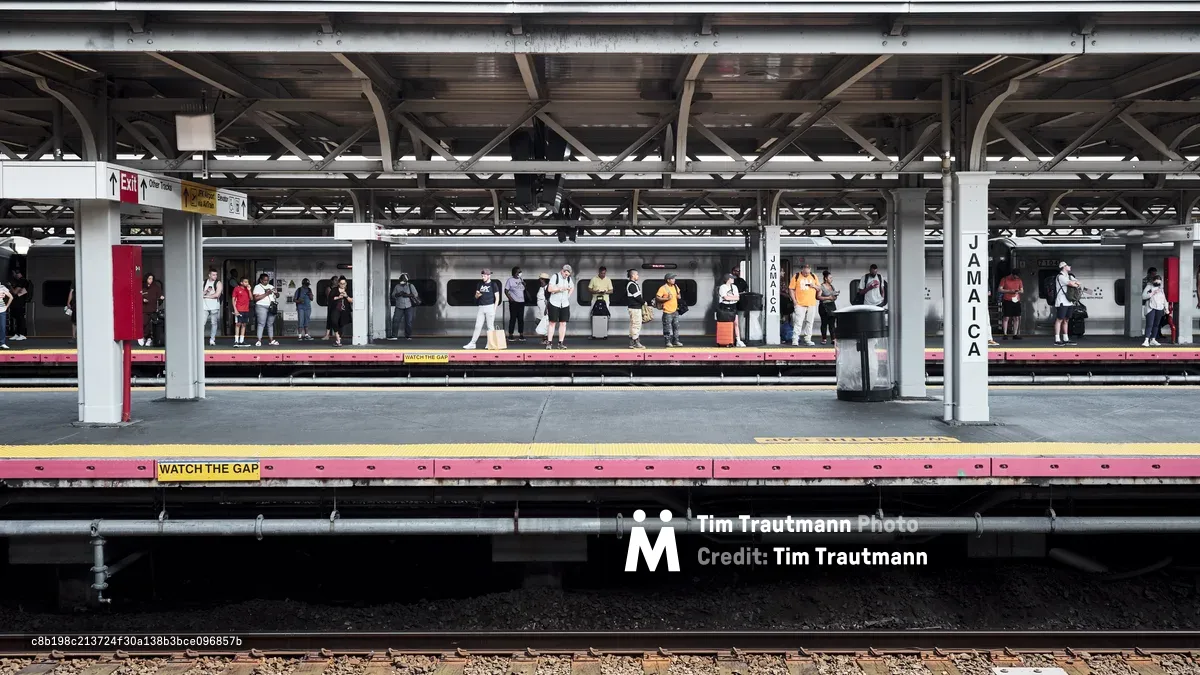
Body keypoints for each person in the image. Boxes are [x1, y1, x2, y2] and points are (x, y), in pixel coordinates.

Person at [464, 268, 502, 349]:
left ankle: (490, 344)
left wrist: (494, 309)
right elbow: (476, 297)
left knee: (490, 326)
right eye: (482, 276)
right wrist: (477, 295)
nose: (483, 277)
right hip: (481, 307)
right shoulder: (479, 284)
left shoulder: (493, 284)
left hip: (490, 307)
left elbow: (497, 298)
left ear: (489, 276)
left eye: (484, 276)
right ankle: (472, 343)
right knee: (478, 326)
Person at [788, 263, 820, 346]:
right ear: (802, 270)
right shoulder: (796, 276)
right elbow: (791, 289)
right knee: (798, 322)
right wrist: (794, 301)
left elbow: (819, 288)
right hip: (799, 303)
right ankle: (795, 339)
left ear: (810, 270)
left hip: (811, 303)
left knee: (810, 322)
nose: (806, 274)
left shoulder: (813, 276)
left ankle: (808, 339)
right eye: (805, 273)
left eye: (808, 272)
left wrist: (814, 286)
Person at [546, 264, 574, 350]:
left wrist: (568, 296)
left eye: (568, 275)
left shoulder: (569, 279)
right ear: (562, 271)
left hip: (564, 304)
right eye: (565, 274)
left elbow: (572, 287)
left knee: (563, 323)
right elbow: (549, 289)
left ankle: (560, 343)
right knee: (552, 323)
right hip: (554, 303)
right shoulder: (555, 276)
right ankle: (549, 343)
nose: (566, 276)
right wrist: (560, 289)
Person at [1054, 261, 1082, 346]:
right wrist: (1074, 283)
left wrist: (1075, 283)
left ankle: (1066, 338)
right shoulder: (1060, 277)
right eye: (1068, 266)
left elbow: (1079, 283)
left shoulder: (1069, 276)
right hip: (1061, 301)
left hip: (1069, 302)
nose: (1070, 267)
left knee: (1066, 320)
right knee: (1059, 320)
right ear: (1064, 267)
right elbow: (1071, 283)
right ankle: (1057, 339)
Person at [716, 273, 746, 347]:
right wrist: (732, 297)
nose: (733, 279)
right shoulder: (722, 287)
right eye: (731, 278)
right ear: (728, 279)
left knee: (736, 323)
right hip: (724, 306)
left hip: (733, 306)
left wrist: (730, 296)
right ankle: (725, 339)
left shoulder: (734, 287)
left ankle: (738, 340)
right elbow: (725, 298)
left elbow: (738, 298)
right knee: (725, 323)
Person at [656, 273, 683, 348]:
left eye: (674, 278)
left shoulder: (675, 286)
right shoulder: (663, 288)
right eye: (672, 279)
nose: (674, 280)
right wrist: (667, 298)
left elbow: (679, 296)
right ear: (668, 280)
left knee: (676, 327)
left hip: (675, 311)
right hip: (667, 312)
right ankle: (667, 342)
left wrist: (679, 296)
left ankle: (676, 341)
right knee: (667, 328)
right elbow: (658, 298)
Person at [252, 273, 279, 347]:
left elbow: (277, 295)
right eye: (265, 280)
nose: (266, 282)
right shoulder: (257, 287)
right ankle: (259, 340)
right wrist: (266, 294)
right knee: (261, 323)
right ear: (261, 280)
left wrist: (276, 293)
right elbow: (255, 298)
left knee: (270, 324)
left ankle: (271, 340)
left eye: (267, 280)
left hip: (271, 306)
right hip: (261, 306)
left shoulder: (271, 286)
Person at [1142, 274, 1167, 347]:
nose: (1158, 284)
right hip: (1151, 308)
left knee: (1156, 324)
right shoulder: (1149, 286)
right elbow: (1143, 296)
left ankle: (1153, 339)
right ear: (1153, 281)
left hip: (1159, 308)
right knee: (1149, 324)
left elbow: (1164, 299)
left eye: (1159, 282)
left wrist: (1166, 308)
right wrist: (1152, 293)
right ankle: (1146, 340)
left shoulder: (1161, 289)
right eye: (1156, 282)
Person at [998, 270, 1023, 340]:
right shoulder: (1004, 279)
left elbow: (1022, 290)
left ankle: (1015, 334)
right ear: (1012, 274)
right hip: (1007, 300)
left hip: (1016, 300)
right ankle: (1005, 334)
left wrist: (1017, 291)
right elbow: (1000, 289)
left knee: (1016, 317)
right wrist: (1009, 291)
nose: (1016, 278)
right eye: (1015, 276)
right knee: (1006, 317)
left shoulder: (1019, 280)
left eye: (1017, 277)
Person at [328, 276, 353, 346]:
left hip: (344, 310)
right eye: (341, 283)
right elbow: (330, 299)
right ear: (339, 283)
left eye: (344, 283)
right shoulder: (334, 290)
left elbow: (352, 300)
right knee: (334, 321)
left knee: (341, 324)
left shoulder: (348, 291)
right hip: (336, 309)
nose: (342, 285)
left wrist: (346, 296)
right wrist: (338, 297)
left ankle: (338, 340)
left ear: (346, 284)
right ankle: (338, 337)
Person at [140, 273, 163, 347]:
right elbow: (136, 296)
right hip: (144, 309)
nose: (151, 280)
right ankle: (143, 337)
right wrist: (142, 299)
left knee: (151, 325)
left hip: (153, 309)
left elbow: (160, 296)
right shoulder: (141, 287)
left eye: (152, 279)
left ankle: (149, 338)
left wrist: (161, 298)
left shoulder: (156, 287)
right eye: (149, 278)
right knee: (144, 324)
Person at [817, 270, 839, 345]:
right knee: (824, 323)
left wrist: (834, 297)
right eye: (830, 278)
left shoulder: (832, 286)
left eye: (832, 278)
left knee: (832, 323)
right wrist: (828, 298)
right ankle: (824, 339)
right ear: (826, 278)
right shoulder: (821, 286)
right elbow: (818, 297)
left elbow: (833, 296)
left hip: (832, 305)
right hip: (824, 306)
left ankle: (833, 338)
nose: (831, 279)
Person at [505, 267, 527, 341]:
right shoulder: (510, 280)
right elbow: (506, 291)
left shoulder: (521, 279)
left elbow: (523, 289)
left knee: (521, 319)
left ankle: (521, 335)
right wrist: (511, 300)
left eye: (520, 272)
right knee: (513, 319)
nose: (520, 273)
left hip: (521, 302)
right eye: (519, 272)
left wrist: (524, 284)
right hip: (514, 303)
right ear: (515, 273)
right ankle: (510, 335)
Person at [625, 269, 646, 349]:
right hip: (635, 308)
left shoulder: (631, 284)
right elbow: (637, 297)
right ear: (633, 275)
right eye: (637, 274)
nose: (638, 276)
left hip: (633, 307)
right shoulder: (632, 285)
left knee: (632, 324)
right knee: (636, 324)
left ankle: (632, 342)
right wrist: (644, 302)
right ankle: (636, 341)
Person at [202, 269, 222, 346]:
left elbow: (217, 295)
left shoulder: (218, 283)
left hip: (214, 306)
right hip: (204, 306)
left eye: (216, 275)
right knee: (202, 323)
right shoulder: (204, 282)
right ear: (209, 275)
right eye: (213, 275)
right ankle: (201, 340)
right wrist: (206, 291)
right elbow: (199, 293)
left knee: (214, 323)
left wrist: (205, 296)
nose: (215, 276)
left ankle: (212, 340)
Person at [8, 270, 30, 341]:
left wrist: (10, 285)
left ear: (18, 273)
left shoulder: (22, 281)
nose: (13, 275)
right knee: (17, 318)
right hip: (16, 303)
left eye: (14, 273)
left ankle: (22, 334)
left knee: (20, 318)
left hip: (20, 303)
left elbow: (14, 292)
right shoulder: (19, 281)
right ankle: (17, 334)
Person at [231, 277, 251, 346]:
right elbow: (233, 299)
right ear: (241, 283)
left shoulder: (247, 289)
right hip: (239, 309)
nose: (247, 283)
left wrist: (249, 290)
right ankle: (236, 341)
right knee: (238, 324)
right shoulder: (236, 289)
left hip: (246, 309)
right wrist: (235, 310)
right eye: (245, 282)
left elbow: (251, 298)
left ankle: (241, 341)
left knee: (244, 324)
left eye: (247, 282)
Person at [536, 272, 551, 345]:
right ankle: (544, 337)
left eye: (541, 279)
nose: (540, 280)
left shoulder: (547, 288)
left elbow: (548, 299)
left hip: (544, 306)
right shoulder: (541, 287)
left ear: (544, 280)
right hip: (540, 307)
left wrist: (546, 309)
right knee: (537, 321)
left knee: (545, 323)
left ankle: (546, 338)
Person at [322, 274, 339, 340]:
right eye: (335, 280)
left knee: (337, 320)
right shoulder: (329, 288)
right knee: (329, 320)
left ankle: (337, 335)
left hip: (338, 306)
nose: (337, 281)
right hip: (331, 306)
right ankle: (327, 335)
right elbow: (330, 297)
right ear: (332, 281)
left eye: (337, 280)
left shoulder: (339, 288)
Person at [0, 282, 11, 349]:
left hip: (2, 310)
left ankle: (2, 343)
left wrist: (6, 306)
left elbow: (11, 297)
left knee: (2, 327)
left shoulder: (3, 287)